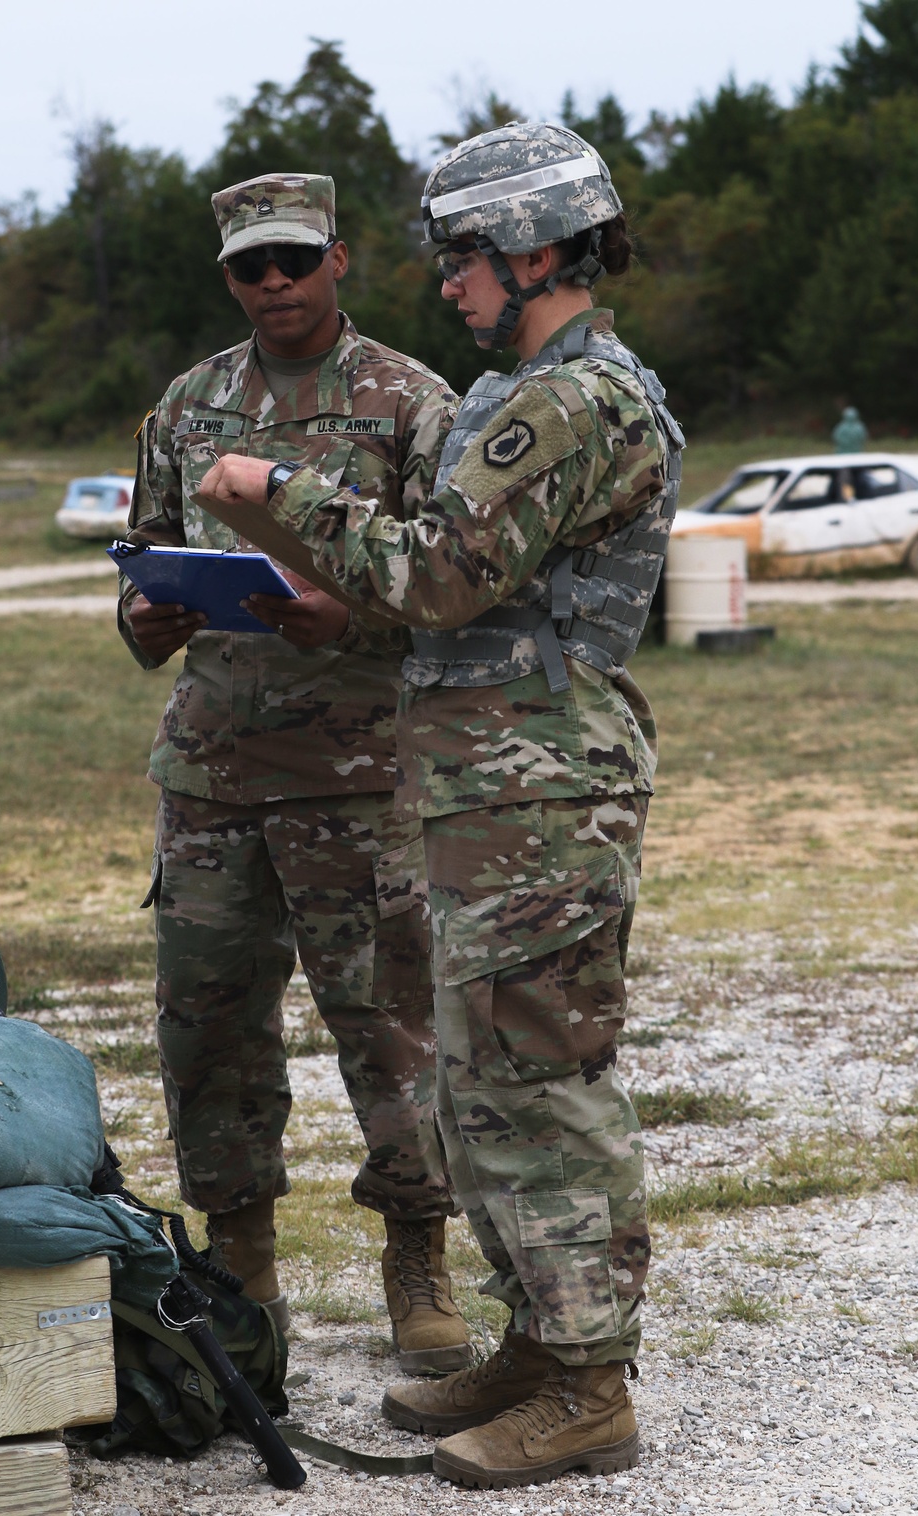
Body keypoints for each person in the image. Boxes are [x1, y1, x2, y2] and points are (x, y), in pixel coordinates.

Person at [196, 125, 684, 1488]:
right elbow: (459, 579)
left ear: (536, 248)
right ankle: (541, 1343)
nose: (449, 279)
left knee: (540, 1078)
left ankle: (589, 1383)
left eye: (464, 253)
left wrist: (275, 493)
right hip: (495, 785)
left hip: (543, 790)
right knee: (483, 1077)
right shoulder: (530, 388)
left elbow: (444, 572)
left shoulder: (573, 403)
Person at [117, 172, 473, 1376]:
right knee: (208, 1030)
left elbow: (454, 589)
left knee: (391, 1029)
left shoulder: (412, 403)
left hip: (357, 776)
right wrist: (146, 617)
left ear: (338, 260)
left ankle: (419, 1260)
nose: (272, 283)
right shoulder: (187, 404)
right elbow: (144, 567)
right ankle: (241, 1263)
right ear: (227, 276)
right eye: (248, 267)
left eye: (292, 260)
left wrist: (354, 620)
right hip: (210, 776)